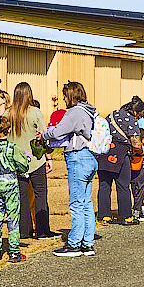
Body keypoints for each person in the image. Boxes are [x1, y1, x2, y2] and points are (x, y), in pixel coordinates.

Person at [39, 81, 99, 257]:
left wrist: (43, 135)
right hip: (90, 157)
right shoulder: (89, 111)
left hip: (77, 157)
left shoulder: (74, 112)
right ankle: (88, 243)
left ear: (71, 95)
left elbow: (58, 132)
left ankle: (74, 244)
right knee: (86, 202)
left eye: (65, 95)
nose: (64, 98)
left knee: (76, 203)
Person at [7, 82, 60, 240]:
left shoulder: (8, 114)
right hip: (36, 159)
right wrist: (49, 158)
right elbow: (43, 137)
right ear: (29, 94)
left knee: (21, 196)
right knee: (40, 194)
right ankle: (43, 230)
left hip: (16, 161)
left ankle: (24, 230)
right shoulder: (35, 112)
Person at [0, 115, 30, 262]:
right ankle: (14, 251)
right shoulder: (13, 148)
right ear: (9, 130)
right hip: (10, 183)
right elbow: (23, 166)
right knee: (13, 217)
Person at [98, 96, 144, 226]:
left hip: (104, 151)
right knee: (123, 185)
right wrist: (143, 152)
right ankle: (125, 216)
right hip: (120, 153)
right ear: (136, 112)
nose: (140, 118)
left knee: (104, 185)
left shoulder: (112, 114)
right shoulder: (131, 119)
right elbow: (136, 144)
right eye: (140, 115)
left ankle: (104, 216)